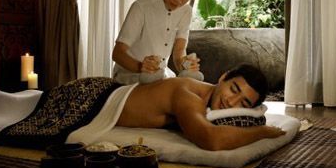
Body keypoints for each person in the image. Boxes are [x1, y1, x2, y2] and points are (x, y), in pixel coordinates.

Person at [116, 63, 286, 151]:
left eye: (243, 103)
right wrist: (263, 132)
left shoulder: (207, 103)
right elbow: (212, 140)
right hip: (98, 99)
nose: (232, 103)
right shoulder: (188, 95)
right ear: (223, 77)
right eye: (233, 89)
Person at [111, 0, 203, 84]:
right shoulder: (141, 7)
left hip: (159, 76)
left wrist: (184, 64)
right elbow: (117, 54)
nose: (179, 0)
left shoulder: (186, 11)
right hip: (129, 75)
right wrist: (141, 67)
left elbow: (179, 51)